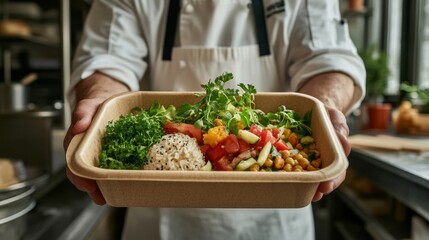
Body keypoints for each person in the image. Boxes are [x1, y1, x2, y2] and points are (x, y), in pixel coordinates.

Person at [64, 0, 366, 239]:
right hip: (157, 210)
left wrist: (324, 109)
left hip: (275, 214)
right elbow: (107, 59)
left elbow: (329, 60)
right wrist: (101, 103)